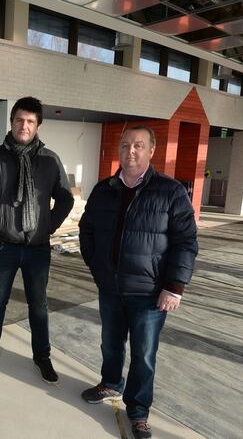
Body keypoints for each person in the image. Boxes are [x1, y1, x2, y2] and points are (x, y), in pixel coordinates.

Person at [78, 125, 197, 439]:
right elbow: (86, 229)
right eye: (126, 145)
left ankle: (139, 410)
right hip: (111, 288)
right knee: (110, 344)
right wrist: (96, 265)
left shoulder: (171, 192)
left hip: (150, 293)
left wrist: (174, 286)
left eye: (138, 146)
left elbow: (185, 242)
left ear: (151, 151)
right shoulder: (103, 189)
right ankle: (111, 383)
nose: (131, 152)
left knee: (144, 354)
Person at [0, 96, 74, 383]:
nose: (23, 126)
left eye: (30, 121)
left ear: (38, 125)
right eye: (19, 120)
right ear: (12, 122)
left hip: (37, 249)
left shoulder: (50, 160)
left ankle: (42, 357)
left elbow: (64, 198)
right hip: (3, 247)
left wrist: (48, 226)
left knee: (38, 305)